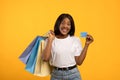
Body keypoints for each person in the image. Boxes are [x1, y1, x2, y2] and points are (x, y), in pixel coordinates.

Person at [42, 13, 94, 80]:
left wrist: (86, 45)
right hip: (56, 75)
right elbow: (45, 59)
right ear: (58, 24)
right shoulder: (50, 39)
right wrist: (50, 40)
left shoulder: (75, 40)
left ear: (71, 27)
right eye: (63, 23)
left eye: (68, 24)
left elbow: (79, 62)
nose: (65, 26)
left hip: (73, 74)